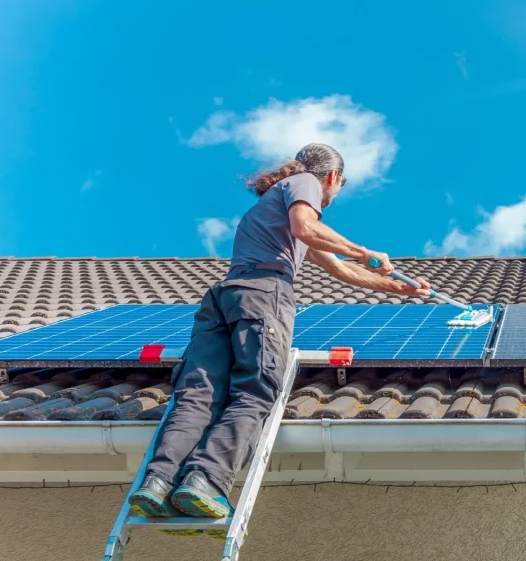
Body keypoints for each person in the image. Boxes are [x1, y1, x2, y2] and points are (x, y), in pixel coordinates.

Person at [128, 143, 431, 518]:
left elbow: (339, 269)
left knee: (198, 395)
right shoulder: (304, 183)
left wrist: (401, 288)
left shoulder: (270, 206)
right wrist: (365, 251)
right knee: (255, 391)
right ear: (333, 177)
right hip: (262, 295)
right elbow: (309, 227)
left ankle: (157, 482)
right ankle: (204, 480)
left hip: (223, 299)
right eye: (337, 187)